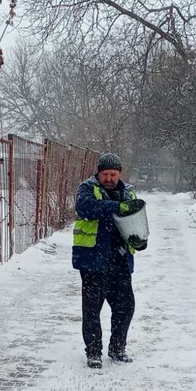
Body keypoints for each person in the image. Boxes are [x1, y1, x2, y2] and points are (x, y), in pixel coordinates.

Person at [72, 152, 146, 369]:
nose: (109, 179)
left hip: (120, 260)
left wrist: (141, 240)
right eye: (105, 174)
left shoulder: (128, 192)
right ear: (98, 173)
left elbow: (137, 219)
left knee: (126, 307)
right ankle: (94, 352)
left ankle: (117, 348)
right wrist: (116, 207)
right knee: (92, 310)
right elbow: (86, 208)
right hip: (93, 261)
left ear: (120, 174)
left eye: (113, 174)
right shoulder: (87, 188)